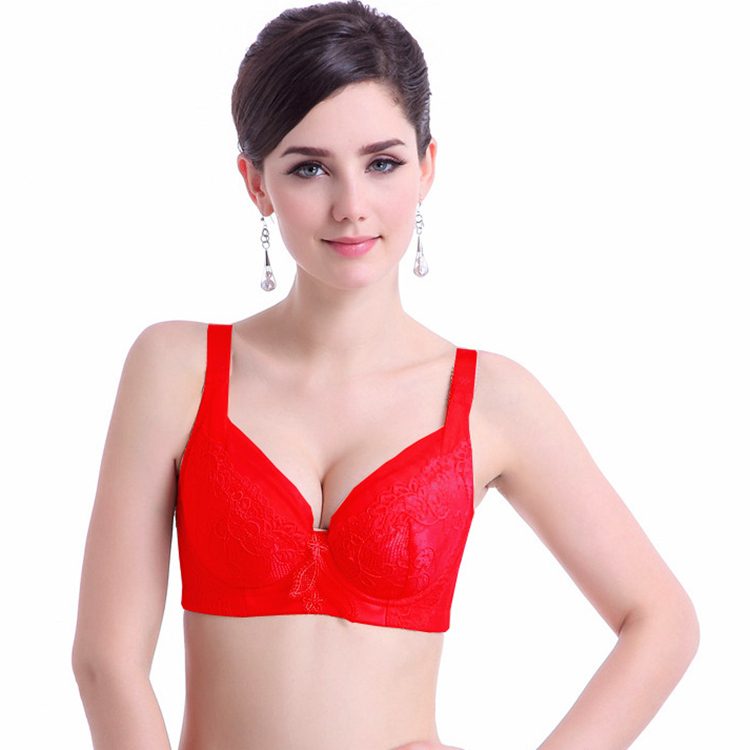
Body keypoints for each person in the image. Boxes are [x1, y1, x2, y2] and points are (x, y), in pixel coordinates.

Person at [71, 2, 699, 749]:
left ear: (427, 167)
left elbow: (661, 621)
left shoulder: (491, 401)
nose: (351, 207)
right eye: (309, 168)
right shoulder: (175, 368)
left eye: (382, 163)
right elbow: (106, 662)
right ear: (255, 183)